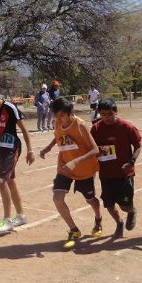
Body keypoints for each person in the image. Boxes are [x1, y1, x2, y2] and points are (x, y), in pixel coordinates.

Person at [40, 97, 102, 248]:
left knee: (90, 199)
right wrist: (48, 147)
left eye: (61, 115)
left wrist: (76, 161)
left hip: (83, 168)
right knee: (57, 198)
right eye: (56, 115)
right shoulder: (57, 123)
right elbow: (58, 136)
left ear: (70, 113)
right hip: (64, 166)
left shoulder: (80, 125)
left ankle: (98, 219)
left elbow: (95, 149)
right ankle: (74, 230)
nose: (58, 119)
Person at [0, 86, 35, 233]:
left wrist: (30, 150)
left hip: (13, 148)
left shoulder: (9, 108)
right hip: (1, 149)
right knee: (10, 181)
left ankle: (7, 220)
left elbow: (24, 129)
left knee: (1, 181)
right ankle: (21, 216)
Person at [90, 99, 141, 238]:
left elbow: (138, 145)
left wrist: (131, 162)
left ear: (116, 112)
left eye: (110, 114)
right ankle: (119, 223)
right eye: (103, 114)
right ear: (99, 113)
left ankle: (131, 211)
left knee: (124, 205)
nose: (107, 117)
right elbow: (91, 148)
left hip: (124, 173)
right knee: (108, 204)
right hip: (106, 173)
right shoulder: (95, 128)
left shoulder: (126, 126)